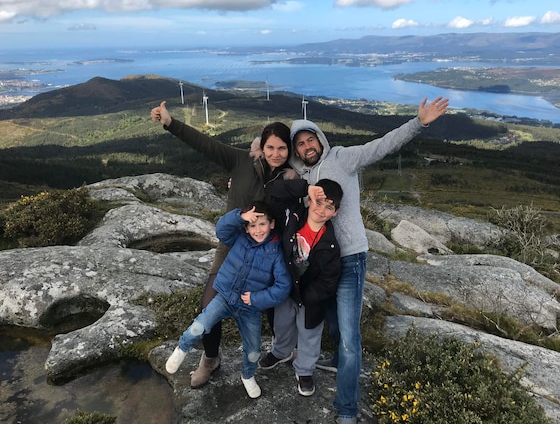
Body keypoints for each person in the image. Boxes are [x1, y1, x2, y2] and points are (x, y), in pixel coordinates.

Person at [288, 96, 449, 424]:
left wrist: (419, 122)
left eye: (310, 139)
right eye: (300, 143)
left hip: (349, 258)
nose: (307, 146)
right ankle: (337, 359)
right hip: (320, 262)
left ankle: (346, 409)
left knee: (349, 336)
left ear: (320, 138)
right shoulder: (301, 175)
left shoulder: (342, 158)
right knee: (332, 320)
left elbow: (382, 145)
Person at [151, 101, 296, 388]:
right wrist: (170, 123)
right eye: (271, 148)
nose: (276, 154)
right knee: (209, 305)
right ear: (261, 148)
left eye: (282, 148)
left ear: (289, 150)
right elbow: (205, 144)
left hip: (268, 254)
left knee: (271, 306)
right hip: (231, 248)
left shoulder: (292, 177)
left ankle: (282, 350)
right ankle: (210, 358)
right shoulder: (240, 162)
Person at [165, 201, 291, 399]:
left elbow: (283, 287)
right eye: (253, 225)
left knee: (253, 352)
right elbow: (221, 230)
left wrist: (257, 298)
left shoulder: (276, 252)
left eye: (262, 224)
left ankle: (247, 376)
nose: (258, 230)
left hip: (250, 307)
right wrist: (240, 216)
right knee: (200, 326)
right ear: (246, 227)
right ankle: (182, 349)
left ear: (272, 224)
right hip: (225, 296)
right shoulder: (240, 237)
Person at [258, 178, 343, 397]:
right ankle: (281, 352)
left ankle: (305, 371)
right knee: (282, 325)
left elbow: (329, 280)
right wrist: (305, 188)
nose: (321, 210)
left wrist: (309, 296)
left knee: (309, 334)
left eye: (329, 207)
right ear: (309, 199)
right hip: (286, 290)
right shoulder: (292, 217)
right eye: (318, 201)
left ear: (335, 212)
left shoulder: (331, 244)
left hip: (311, 299)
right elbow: (273, 191)